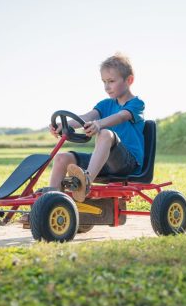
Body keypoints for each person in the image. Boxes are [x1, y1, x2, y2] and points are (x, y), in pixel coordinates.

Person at [49, 53, 145, 202]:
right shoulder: (105, 104)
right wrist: (64, 125)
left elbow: (121, 116)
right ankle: (51, 201)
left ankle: (85, 182)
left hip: (127, 163)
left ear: (129, 80)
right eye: (104, 82)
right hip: (103, 162)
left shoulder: (137, 104)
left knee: (105, 134)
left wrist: (99, 124)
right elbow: (88, 117)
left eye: (111, 81)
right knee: (62, 158)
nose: (107, 87)